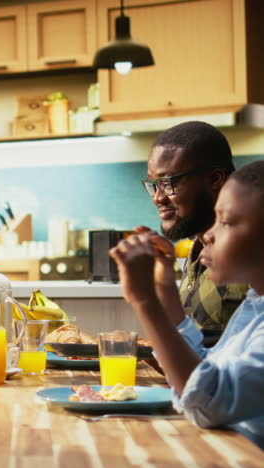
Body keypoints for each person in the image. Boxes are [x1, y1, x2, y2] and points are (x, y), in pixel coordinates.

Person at [111, 160, 264, 449]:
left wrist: (146, 302)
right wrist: (163, 286)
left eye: (226, 221)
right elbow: (205, 369)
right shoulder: (254, 307)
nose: (208, 234)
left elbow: (208, 400)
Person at [140, 121, 248, 346]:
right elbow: (191, 349)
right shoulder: (196, 250)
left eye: (168, 183)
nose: (157, 198)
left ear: (215, 179)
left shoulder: (251, 253)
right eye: (154, 184)